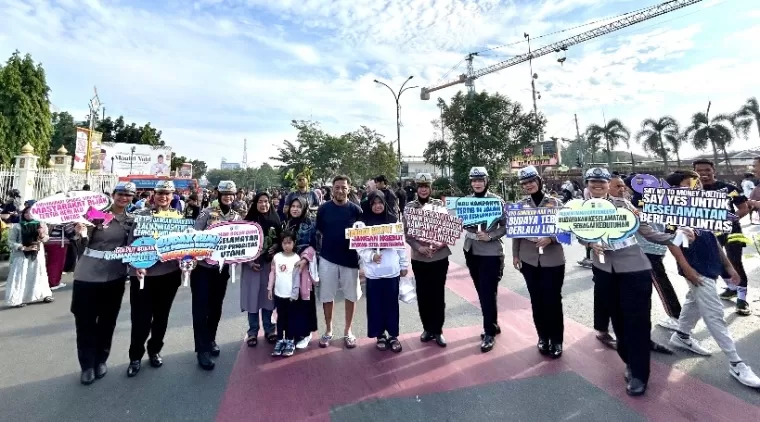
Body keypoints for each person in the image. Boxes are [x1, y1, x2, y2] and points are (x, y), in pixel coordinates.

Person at [581, 167, 674, 397]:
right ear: (587, 185)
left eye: (601, 182)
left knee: (638, 322)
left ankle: (640, 374)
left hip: (634, 269)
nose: (597, 185)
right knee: (618, 321)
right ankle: (629, 362)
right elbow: (579, 232)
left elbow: (647, 231)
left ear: (607, 185)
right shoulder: (579, 209)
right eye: (593, 182)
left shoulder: (624, 206)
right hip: (604, 270)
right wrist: (590, 243)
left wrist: (675, 236)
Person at [665, 171, 760, 388]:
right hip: (697, 270)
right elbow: (673, 243)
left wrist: (727, 266)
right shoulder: (672, 212)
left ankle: (681, 336)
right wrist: (688, 270)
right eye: (688, 184)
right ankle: (736, 363)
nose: (695, 187)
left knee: (693, 302)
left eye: (695, 184)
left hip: (711, 267)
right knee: (715, 313)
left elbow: (713, 240)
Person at [71, 181, 136, 385]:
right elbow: (82, 244)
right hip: (87, 276)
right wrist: (80, 232)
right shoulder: (96, 214)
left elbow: (137, 245)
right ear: (113, 194)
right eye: (120, 194)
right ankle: (87, 364)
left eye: (128, 195)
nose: (124, 198)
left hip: (114, 276)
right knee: (85, 322)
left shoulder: (131, 220)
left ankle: (101, 360)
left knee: (108, 322)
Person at [126, 180, 184, 377]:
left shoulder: (177, 217)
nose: (163, 196)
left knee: (161, 317)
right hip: (144, 276)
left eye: (167, 193)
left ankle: (154, 350)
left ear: (173, 195)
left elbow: (183, 246)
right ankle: (135, 356)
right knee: (141, 319)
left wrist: (186, 261)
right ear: (154, 194)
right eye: (160, 192)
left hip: (169, 275)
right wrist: (135, 266)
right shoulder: (141, 216)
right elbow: (132, 243)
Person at [512, 166, 565, 358]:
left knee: (553, 301)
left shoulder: (556, 203)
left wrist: (551, 238)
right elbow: (516, 233)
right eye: (525, 183)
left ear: (539, 181)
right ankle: (542, 337)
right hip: (529, 260)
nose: (529, 185)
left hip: (553, 260)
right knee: (537, 300)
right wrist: (515, 255)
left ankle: (557, 340)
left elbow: (567, 231)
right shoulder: (520, 205)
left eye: (531, 181)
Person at [191, 181, 243, 370]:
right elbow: (194, 237)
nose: (228, 196)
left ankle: (210, 339)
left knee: (216, 307)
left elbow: (240, 239)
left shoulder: (236, 216)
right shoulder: (206, 213)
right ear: (217, 194)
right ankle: (201, 349)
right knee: (200, 308)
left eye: (232, 193)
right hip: (203, 268)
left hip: (222, 269)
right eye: (225, 193)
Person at [693, 160, 751, 316]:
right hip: (707, 234)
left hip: (732, 232)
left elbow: (744, 209)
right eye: (699, 171)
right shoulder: (690, 192)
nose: (704, 174)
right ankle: (732, 288)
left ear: (714, 171)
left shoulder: (730, 189)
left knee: (735, 263)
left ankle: (742, 299)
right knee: (716, 263)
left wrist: (726, 219)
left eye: (707, 170)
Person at [462, 166, 507, 353]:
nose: (477, 183)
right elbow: (459, 222)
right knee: (482, 291)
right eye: (474, 180)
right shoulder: (465, 202)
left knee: (488, 292)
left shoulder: (497, 201)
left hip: (490, 252)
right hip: (471, 250)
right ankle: (493, 323)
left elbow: (506, 226)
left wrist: (490, 236)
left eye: (480, 180)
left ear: (486, 181)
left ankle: (489, 331)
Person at [315, 175, 363, 349]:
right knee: (327, 296)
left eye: (343, 187)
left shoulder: (357, 211)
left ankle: (348, 331)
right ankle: (328, 330)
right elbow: (319, 231)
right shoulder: (323, 209)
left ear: (349, 189)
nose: (340, 190)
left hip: (350, 261)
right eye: (337, 187)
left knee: (351, 296)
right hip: (327, 259)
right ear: (332, 189)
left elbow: (363, 238)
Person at [404, 173, 450, 347]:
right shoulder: (409, 207)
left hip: (439, 256)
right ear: (417, 188)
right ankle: (427, 328)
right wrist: (418, 247)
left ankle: (438, 330)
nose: (423, 189)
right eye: (420, 186)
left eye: (426, 186)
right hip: (419, 257)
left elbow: (447, 229)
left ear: (431, 188)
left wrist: (439, 244)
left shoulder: (439, 205)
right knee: (423, 294)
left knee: (438, 294)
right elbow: (407, 234)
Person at [360, 191, 408, 353]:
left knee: (391, 305)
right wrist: (371, 255)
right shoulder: (364, 224)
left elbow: (401, 246)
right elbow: (360, 247)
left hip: (392, 272)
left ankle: (393, 335)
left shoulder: (393, 221)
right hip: (373, 274)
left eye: (380, 202)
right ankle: (379, 335)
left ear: (385, 203)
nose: (377, 206)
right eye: (374, 203)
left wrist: (403, 265)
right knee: (375, 306)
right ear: (370, 205)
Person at [240, 192, 281, 348]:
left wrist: (276, 246)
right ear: (255, 203)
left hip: (269, 266)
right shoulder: (248, 222)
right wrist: (250, 263)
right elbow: (241, 246)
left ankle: (269, 329)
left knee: (267, 297)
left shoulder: (275, 219)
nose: (263, 205)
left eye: (266, 201)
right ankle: (253, 331)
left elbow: (281, 239)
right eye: (260, 202)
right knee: (252, 298)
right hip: (252, 266)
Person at [283, 197, 319, 349]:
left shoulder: (310, 223)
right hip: (289, 269)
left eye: (298, 206)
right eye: (293, 206)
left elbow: (314, 245)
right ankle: (293, 332)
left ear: (304, 208)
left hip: (303, 268)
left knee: (305, 300)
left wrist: (305, 259)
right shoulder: (286, 223)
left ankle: (306, 333)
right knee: (291, 301)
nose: (295, 209)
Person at [4, 205, 54, 307]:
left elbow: (46, 239)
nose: (28, 214)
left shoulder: (41, 225)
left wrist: (42, 235)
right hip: (21, 255)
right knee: (20, 276)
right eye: (26, 212)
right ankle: (17, 299)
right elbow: (10, 242)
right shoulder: (17, 226)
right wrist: (24, 248)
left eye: (31, 212)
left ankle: (44, 295)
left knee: (39, 274)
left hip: (37, 254)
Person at [267, 231, 303, 357]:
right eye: (284, 243)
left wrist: (295, 293)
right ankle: (280, 340)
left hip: (291, 296)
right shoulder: (276, 257)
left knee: (290, 319)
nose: (287, 245)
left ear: (294, 243)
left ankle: (290, 341)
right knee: (280, 318)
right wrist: (269, 288)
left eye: (289, 243)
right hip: (278, 294)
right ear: (281, 244)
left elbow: (298, 278)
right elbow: (272, 273)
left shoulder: (297, 258)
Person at [44, 221, 76, 290]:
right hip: (59, 243)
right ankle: (53, 283)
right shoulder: (64, 218)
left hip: (48, 242)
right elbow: (70, 231)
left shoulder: (50, 217)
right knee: (57, 264)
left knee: (50, 263)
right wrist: (75, 227)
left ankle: (49, 281)